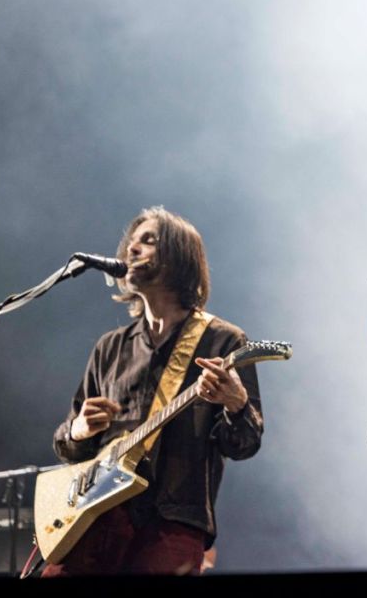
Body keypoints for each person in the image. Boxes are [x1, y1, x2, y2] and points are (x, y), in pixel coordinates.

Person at [42, 207, 262, 576]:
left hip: (171, 521)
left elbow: (244, 445)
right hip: (95, 517)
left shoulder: (223, 340)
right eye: (132, 241)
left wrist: (236, 404)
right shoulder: (110, 348)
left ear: (179, 256)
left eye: (148, 241)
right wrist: (79, 430)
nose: (132, 248)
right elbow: (67, 446)